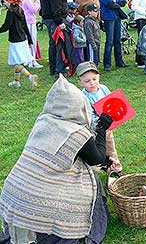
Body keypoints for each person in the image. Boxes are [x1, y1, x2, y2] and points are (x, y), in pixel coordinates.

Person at [0, 75, 117, 244]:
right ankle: (61, 226)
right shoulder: (76, 133)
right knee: (90, 183)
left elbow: (81, 155)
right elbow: (95, 158)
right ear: (79, 105)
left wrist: (104, 159)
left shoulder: (43, 121)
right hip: (36, 202)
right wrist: (101, 128)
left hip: (13, 196)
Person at [76, 62, 123, 171]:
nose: (92, 83)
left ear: (99, 77)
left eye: (94, 79)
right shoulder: (83, 97)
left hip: (108, 128)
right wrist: (99, 121)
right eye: (87, 81)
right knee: (97, 151)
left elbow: (112, 101)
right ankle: (95, 169)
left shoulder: (103, 89)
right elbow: (88, 116)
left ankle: (115, 169)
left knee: (111, 148)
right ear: (80, 83)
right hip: (94, 130)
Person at [0, 0, 38, 90]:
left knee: (16, 63)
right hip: (23, 39)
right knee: (18, 62)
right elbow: (25, 26)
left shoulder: (10, 12)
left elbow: (6, 26)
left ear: (10, 2)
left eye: (6, 1)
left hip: (15, 41)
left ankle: (30, 77)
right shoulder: (20, 10)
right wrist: (29, 40)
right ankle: (16, 82)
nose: (5, 3)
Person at [39, 0, 69, 76]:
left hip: (48, 19)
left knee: (52, 44)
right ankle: (59, 70)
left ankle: (53, 68)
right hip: (54, 20)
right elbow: (56, 7)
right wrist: (60, 21)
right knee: (58, 44)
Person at [99, 0, 128, 72]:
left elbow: (124, 1)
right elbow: (110, 3)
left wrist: (116, 1)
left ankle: (119, 61)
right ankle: (107, 64)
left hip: (116, 17)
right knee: (110, 41)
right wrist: (116, 2)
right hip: (109, 18)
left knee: (117, 40)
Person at [21, 0, 43, 68]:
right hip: (30, 21)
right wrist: (38, 0)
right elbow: (34, 10)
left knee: (28, 41)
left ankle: (28, 60)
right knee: (32, 41)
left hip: (27, 21)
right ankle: (32, 61)